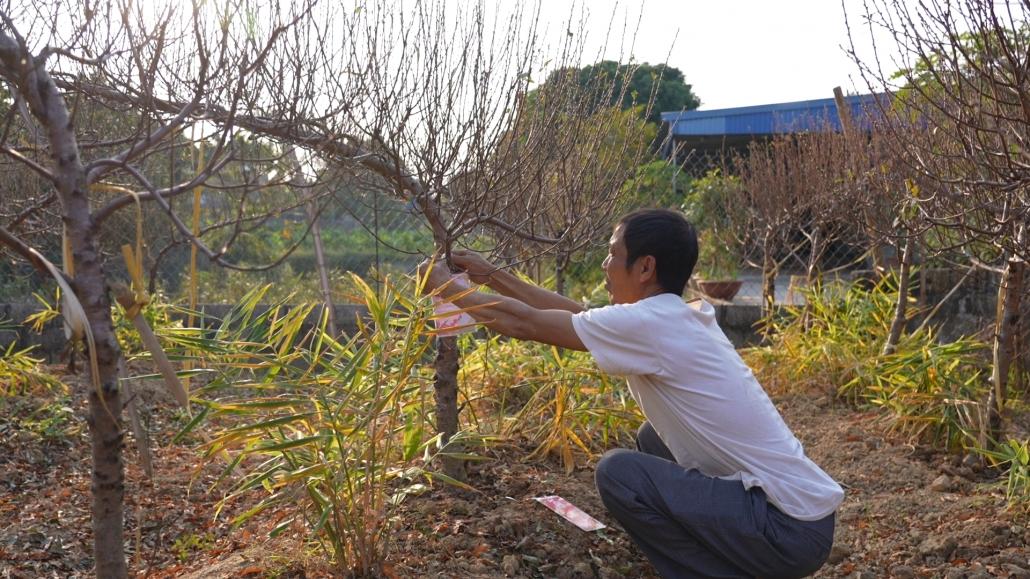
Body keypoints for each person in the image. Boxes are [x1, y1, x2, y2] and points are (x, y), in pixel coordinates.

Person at [419, 208, 842, 579]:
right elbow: (575, 315)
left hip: (786, 530)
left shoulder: (651, 325)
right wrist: (489, 274)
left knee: (619, 473)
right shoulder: (673, 316)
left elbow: (526, 325)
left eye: (612, 253)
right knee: (650, 439)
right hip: (800, 520)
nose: (605, 264)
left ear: (645, 268)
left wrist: (446, 287)